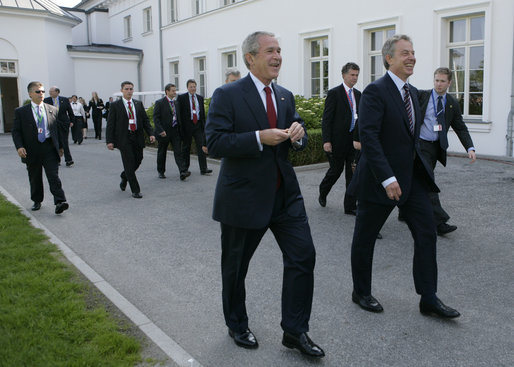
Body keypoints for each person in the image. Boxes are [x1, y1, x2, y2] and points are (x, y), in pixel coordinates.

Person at [206, 31, 325, 358]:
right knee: (235, 268)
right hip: (243, 199)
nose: (278, 57)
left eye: (280, 51)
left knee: (303, 256)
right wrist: (258, 137)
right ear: (250, 58)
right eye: (270, 51)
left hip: (284, 195)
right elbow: (215, 142)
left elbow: (293, 127)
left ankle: (295, 330)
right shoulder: (227, 94)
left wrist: (298, 133)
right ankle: (237, 323)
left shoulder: (284, 95)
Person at [348, 35, 460, 318]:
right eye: (404, 53)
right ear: (389, 58)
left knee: (426, 233)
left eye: (413, 53)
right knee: (365, 237)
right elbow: (369, 137)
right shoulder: (375, 91)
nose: (411, 57)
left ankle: (429, 298)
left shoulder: (412, 93)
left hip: (411, 179)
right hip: (379, 179)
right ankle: (361, 291)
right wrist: (387, 178)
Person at [417, 67, 476, 236]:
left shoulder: (452, 103)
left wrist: (470, 148)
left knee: (418, 181)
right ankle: (439, 222)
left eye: (442, 81)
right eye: (436, 80)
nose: (438, 84)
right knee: (429, 181)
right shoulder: (422, 96)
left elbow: (460, 127)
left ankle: (404, 211)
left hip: (436, 148)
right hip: (421, 145)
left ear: (449, 83)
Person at [12, 81, 69, 214]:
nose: (41, 94)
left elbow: (56, 130)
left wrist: (60, 147)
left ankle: (60, 201)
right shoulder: (21, 112)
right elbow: (16, 131)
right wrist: (19, 147)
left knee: (53, 176)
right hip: (32, 149)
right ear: (30, 94)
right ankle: (37, 200)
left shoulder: (52, 109)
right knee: (35, 176)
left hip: (49, 147)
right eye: (38, 92)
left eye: (43, 91)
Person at [318, 63, 360, 215]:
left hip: (353, 142)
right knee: (335, 171)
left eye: (356, 75)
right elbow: (327, 119)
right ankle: (323, 191)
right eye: (352, 75)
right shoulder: (334, 93)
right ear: (344, 75)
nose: (354, 78)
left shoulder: (359, 95)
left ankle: (350, 206)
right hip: (337, 141)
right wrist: (326, 141)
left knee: (352, 174)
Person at [106, 81, 156, 198]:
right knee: (128, 162)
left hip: (137, 136)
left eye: (131, 89)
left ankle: (124, 176)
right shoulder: (115, 105)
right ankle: (135, 190)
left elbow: (145, 120)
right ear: (122, 90)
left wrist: (151, 133)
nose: (129, 91)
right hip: (124, 138)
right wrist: (110, 141)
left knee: (138, 159)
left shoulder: (138, 104)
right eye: (127, 89)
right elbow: (110, 124)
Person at [176, 79, 212, 176]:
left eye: (194, 86)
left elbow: (202, 113)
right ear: (187, 88)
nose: (193, 88)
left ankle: (204, 168)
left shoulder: (200, 98)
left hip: (198, 126)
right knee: (186, 148)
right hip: (187, 126)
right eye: (191, 87)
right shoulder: (182, 98)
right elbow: (179, 113)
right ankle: (185, 169)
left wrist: (204, 125)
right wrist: (181, 127)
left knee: (201, 146)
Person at [153, 83, 188, 180]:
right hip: (164, 132)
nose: (175, 92)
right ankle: (161, 171)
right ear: (167, 91)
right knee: (162, 152)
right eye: (173, 90)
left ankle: (182, 171)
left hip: (175, 131)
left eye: (175, 90)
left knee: (178, 152)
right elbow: (156, 118)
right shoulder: (160, 103)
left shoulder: (176, 103)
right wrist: (160, 130)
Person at [44, 86, 74, 167]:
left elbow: (70, 111)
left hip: (63, 123)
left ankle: (69, 160)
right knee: (54, 142)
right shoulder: (46, 100)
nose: (50, 93)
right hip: (52, 123)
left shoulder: (64, 100)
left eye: (52, 91)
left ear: (57, 92)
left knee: (64, 142)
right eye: (49, 91)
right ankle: (57, 160)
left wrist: (71, 121)